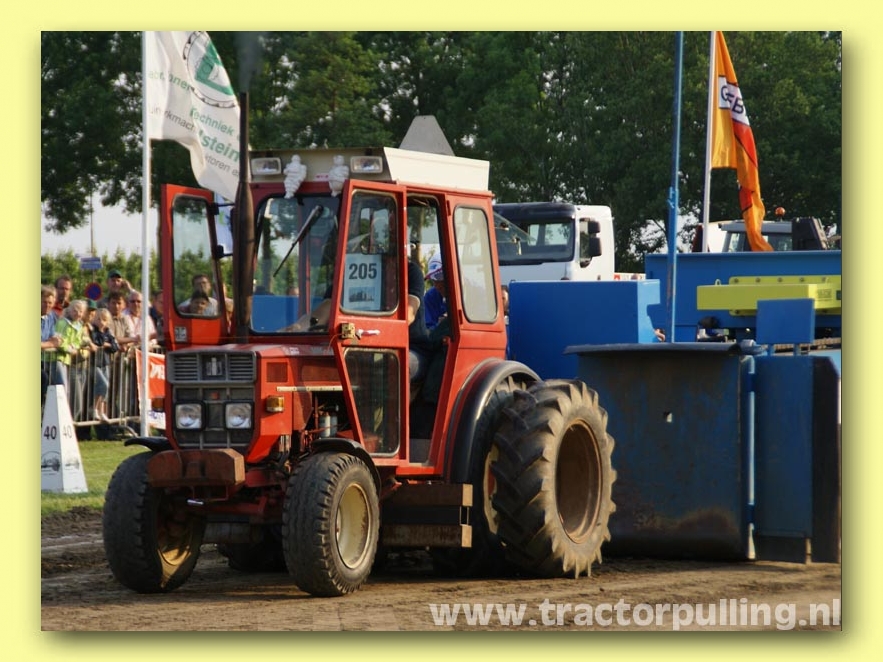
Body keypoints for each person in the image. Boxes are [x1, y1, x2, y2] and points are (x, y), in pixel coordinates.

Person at [90, 307, 119, 423]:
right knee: (103, 384)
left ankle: (101, 411)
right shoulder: (93, 330)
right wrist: (106, 343)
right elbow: (98, 342)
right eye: (98, 319)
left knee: (105, 389)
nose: (101, 322)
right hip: (94, 363)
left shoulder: (108, 332)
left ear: (108, 321)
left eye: (104, 320)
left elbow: (115, 347)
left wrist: (108, 344)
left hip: (105, 363)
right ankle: (94, 408)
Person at [41, 284, 62, 402]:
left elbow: (53, 336)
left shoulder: (51, 316)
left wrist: (56, 340)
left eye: (50, 303)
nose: (47, 305)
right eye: (44, 302)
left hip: (43, 360)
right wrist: (50, 344)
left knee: (56, 383)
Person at [423, 254, 448, 331]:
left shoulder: (475, 292)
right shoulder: (430, 297)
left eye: (439, 276)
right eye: (433, 278)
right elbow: (427, 330)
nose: (438, 285)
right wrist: (440, 326)